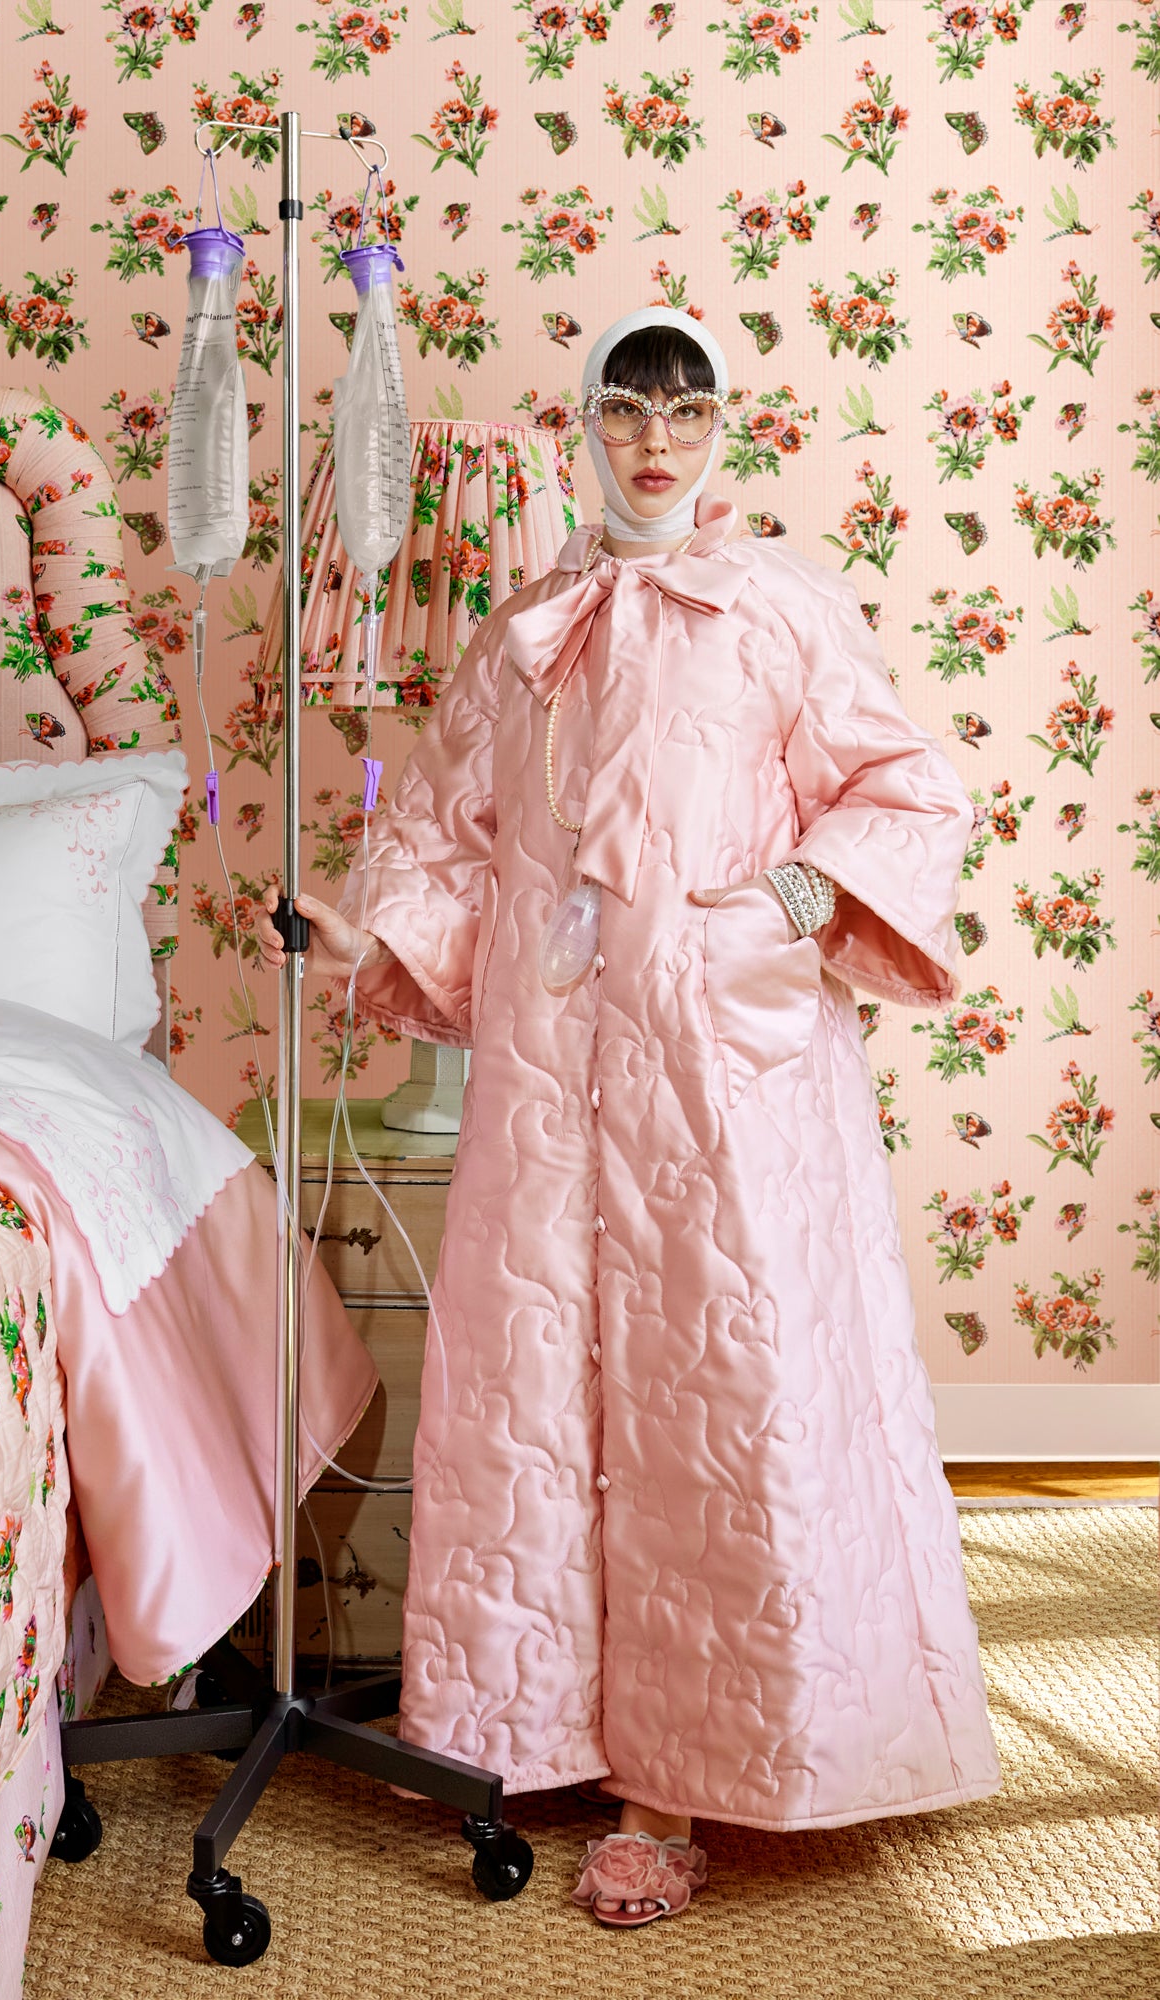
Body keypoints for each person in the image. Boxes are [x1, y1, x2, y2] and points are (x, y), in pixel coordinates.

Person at [256, 306, 1002, 1928]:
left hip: (728, 1066)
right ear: (584, 425)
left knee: (714, 1393)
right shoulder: (525, 624)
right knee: (539, 1389)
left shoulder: (779, 605)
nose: (653, 442)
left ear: (723, 428)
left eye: (685, 412)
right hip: (551, 1066)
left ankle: (683, 1779)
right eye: (622, 410)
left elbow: (904, 786)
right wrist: (367, 933)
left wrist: (784, 902)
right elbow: (448, 832)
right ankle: (538, 1726)